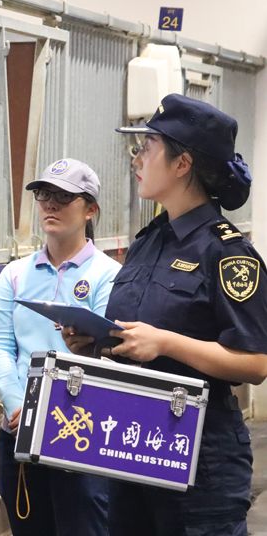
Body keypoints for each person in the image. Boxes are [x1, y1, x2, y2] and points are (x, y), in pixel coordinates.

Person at [62, 94, 267, 536]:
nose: (136, 159)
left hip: (201, 456)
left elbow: (255, 363)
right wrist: (97, 342)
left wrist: (166, 343)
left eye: (148, 147)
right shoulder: (148, 242)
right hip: (135, 442)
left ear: (182, 164)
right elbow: (139, 336)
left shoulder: (227, 253)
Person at [0, 159, 119, 535]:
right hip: (19, 430)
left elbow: (104, 353)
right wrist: (18, 406)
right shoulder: (14, 274)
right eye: (44, 195)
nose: (50, 205)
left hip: (81, 431)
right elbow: (0, 345)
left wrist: (48, 412)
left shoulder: (109, 275)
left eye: (63, 197)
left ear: (90, 209)